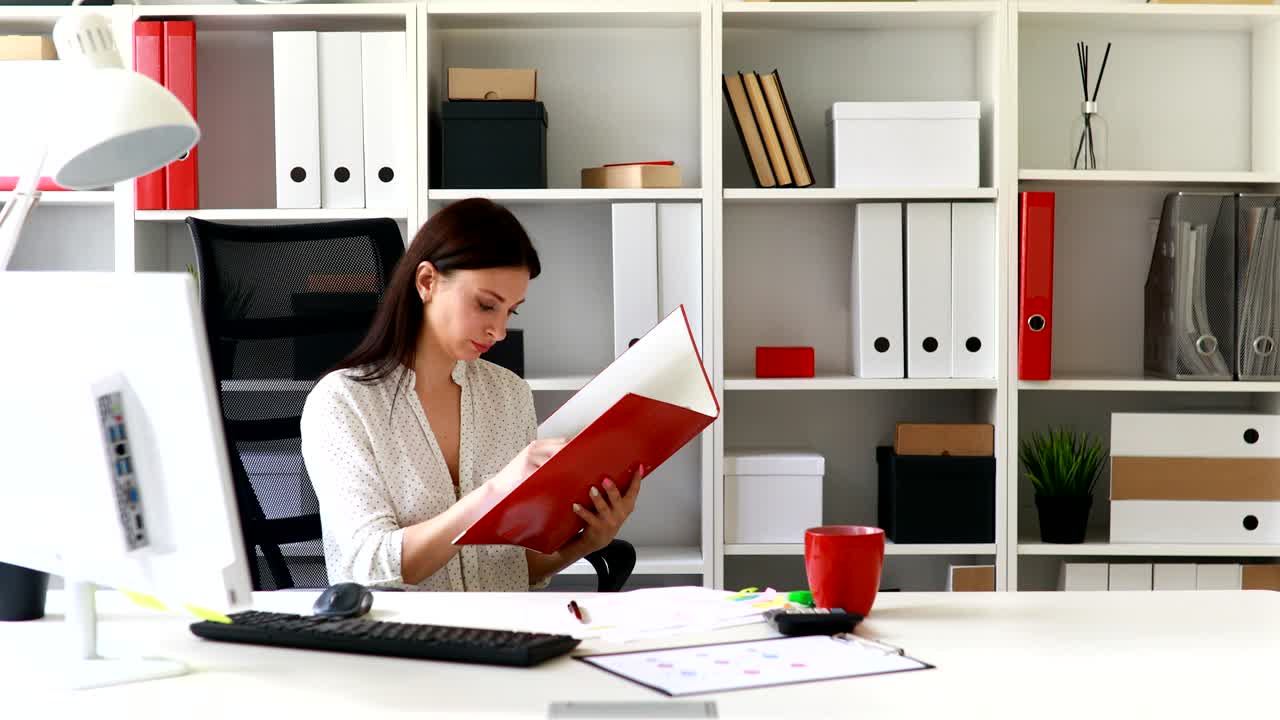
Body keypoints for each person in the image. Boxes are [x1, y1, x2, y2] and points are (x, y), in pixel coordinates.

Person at [300, 198, 644, 590]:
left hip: (504, 635)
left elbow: (504, 567)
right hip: (401, 642)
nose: (498, 332)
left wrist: (586, 543)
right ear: (427, 281)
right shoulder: (343, 403)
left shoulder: (509, 395)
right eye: (485, 306)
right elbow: (369, 564)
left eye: (511, 312)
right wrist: (493, 493)